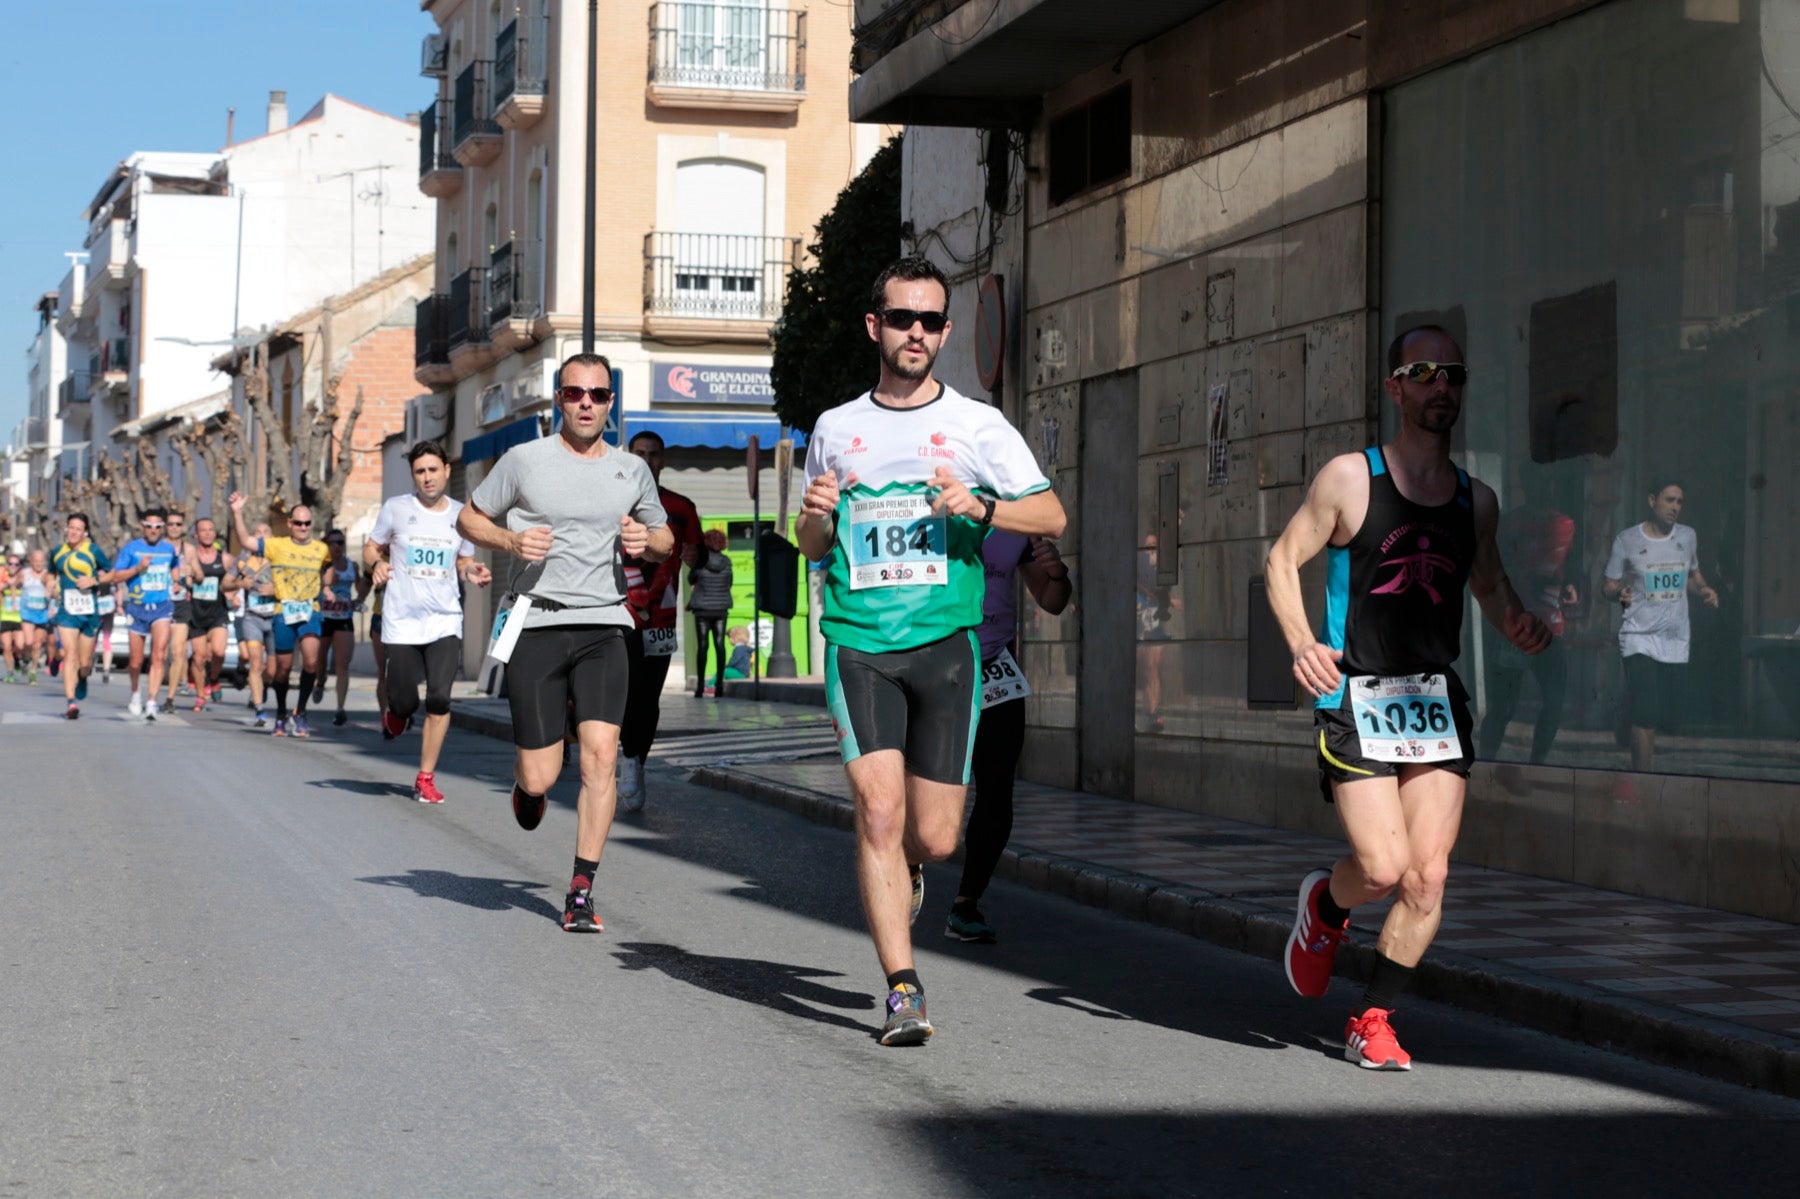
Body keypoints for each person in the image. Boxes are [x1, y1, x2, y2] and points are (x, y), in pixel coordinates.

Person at [1265, 326, 1550, 1072]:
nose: (1439, 386)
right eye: (1422, 373)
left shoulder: (1473, 499)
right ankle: (1327, 907)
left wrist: (1515, 618)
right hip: (1356, 694)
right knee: (1383, 867)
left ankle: (1373, 1018)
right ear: (1395, 388)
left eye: (1451, 373)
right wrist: (1302, 642)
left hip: (1432, 699)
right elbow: (1281, 558)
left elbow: (1484, 576)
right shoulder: (1350, 480)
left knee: (1428, 875)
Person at [797, 256, 1066, 1046]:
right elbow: (813, 541)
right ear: (874, 325)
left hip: (948, 647)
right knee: (879, 810)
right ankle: (903, 989)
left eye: (930, 321)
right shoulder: (836, 428)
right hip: (859, 643)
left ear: (945, 332)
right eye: (902, 318)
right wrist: (815, 514)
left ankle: (912, 867)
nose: (916, 332)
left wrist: (982, 503)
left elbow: (1051, 515)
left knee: (938, 834)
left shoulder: (980, 425)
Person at [456, 352, 672, 933]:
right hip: (538, 623)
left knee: (602, 754)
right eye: (574, 393)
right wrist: (508, 539)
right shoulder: (524, 460)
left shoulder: (631, 470)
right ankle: (526, 789)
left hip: (605, 624)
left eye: (597, 395)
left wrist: (644, 540)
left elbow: (665, 538)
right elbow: (468, 520)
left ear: (609, 403)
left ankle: (581, 887)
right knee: (542, 776)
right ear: (558, 399)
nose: (585, 403)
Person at [945, 531, 1072, 943]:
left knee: (997, 791)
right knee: (934, 789)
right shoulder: (928, 505)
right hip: (936, 665)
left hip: (995, 666)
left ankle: (966, 903)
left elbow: (1053, 600)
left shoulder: (1014, 523)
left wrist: (1057, 574)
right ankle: (909, 866)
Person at [367, 440, 492, 803]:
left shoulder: (461, 515)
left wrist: (474, 572)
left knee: (439, 698)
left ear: (446, 471)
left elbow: (464, 561)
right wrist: (376, 563)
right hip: (402, 620)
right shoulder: (396, 509)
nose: (427, 477)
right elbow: (372, 547)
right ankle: (396, 714)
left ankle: (425, 777)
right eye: (420, 471)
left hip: (444, 619)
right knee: (405, 702)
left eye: (433, 470)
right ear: (413, 476)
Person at [1602, 479, 1720, 775]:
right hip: (1639, 636)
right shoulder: (1627, 540)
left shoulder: (1687, 536)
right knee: (1647, 714)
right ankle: (1643, 781)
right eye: (1670, 500)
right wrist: (1619, 593)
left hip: (1675, 638)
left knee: (1671, 718)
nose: (1675, 508)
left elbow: (1692, 575)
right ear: (1652, 500)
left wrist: (1705, 589)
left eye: (1680, 502)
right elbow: (1607, 585)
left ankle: (1626, 711)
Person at [617, 430, 704, 811]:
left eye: (654, 454)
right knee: (619, 692)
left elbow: (697, 557)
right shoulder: (611, 502)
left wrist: (695, 560)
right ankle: (620, 753)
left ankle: (635, 761)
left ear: (663, 460)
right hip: (615, 614)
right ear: (629, 457)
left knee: (647, 697)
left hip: (661, 619)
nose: (647, 461)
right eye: (640, 454)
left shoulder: (681, 507)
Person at [1478, 477, 1578, 764]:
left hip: (1550, 627)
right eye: (1538, 484)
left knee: (1555, 700)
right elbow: (1493, 564)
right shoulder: (1509, 523)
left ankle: (1538, 763)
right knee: (1503, 708)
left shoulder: (1566, 524)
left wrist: (1571, 585)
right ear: (1527, 486)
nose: (1544, 488)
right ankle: (1486, 763)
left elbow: (1569, 566)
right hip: (1513, 627)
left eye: (1548, 484)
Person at [229, 495, 334, 738]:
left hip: (309, 611)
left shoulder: (321, 549)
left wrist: (326, 586)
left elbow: (327, 568)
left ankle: (302, 711)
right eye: (298, 523)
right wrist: (236, 512)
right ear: (289, 524)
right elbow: (245, 540)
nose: (303, 528)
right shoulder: (276, 545)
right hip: (282, 612)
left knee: (310, 661)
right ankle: (281, 712)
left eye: (307, 524)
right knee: (282, 670)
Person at [113, 509, 182, 720]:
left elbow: (174, 568)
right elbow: (116, 576)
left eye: (158, 527)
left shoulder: (169, 549)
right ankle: (136, 694)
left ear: (163, 528)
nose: (153, 531)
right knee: (135, 661)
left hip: (162, 606)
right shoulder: (131, 549)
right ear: (142, 527)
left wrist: (177, 581)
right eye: (149, 526)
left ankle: (152, 701)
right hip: (137, 606)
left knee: (159, 654)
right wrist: (137, 569)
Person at [50, 513, 115, 719]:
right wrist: (50, 585)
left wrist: (94, 580)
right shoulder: (57, 552)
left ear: (85, 532)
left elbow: (111, 572)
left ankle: (83, 676)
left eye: (78, 529)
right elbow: (51, 573)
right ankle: (71, 703)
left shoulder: (93, 550)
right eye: (71, 527)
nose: (73, 532)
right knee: (69, 654)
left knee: (84, 662)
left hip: (89, 612)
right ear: (66, 528)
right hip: (67, 610)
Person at [183, 517, 239, 712]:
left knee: (218, 651)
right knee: (198, 658)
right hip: (196, 613)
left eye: (210, 530)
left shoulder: (224, 558)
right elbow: (183, 579)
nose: (207, 533)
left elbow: (237, 577)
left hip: (218, 613)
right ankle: (200, 695)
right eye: (203, 530)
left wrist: (234, 592)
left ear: (215, 534)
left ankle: (214, 678)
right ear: (196, 535)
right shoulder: (191, 558)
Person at [316, 529, 360, 726]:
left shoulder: (352, 565)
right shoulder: (320, 565)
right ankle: (320, 680)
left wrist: (360, 598)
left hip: (343, 616)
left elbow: (362, 583)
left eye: (340, 542)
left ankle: (340, 708)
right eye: (332, 543)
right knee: (319, 658)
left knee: (343, 664)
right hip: (323, 616)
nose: (336, 546)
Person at [236, 524, 277, 727]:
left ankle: (265, 684)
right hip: (252, 618)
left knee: (272, 669)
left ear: (272, 537)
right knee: (255, 662)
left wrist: (275, 590)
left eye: (265, 533)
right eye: (257, 533)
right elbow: (225, 584)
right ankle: (259, 709)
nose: (261, 536)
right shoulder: (244, 559)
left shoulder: (279, 559)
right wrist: (239, 585)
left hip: (275, 618)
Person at [688, 528, 733, 697]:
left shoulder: (700, 561)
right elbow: (730, 582)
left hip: (702, 608)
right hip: (721, 608)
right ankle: (719, 686)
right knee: (720, 645)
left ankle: (700, 687)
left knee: (702, 646)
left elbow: (691, 579)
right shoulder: (727, 562)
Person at [161, 511, 194, 706]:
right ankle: (152, 692)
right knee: (161, 652)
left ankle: (170, 697)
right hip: (160, 602)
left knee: (179, 651)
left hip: (181, 602)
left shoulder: (188, 550)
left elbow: (198, 574)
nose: (174, 527)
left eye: (178, 524)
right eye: (171, 524)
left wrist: (192, 573)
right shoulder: (158, 548)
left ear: (183, 527)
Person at [16, 549, 55, 683]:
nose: (38, 564)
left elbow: (53, 590)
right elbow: (14, 585)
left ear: (44, 561)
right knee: (28, 642)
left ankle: (33, 670)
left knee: (37, 644)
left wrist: (51, 600)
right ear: (31, 561)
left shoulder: (47, 575)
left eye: (41, 561)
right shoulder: (24, 573)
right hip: (27, 612)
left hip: (42, 613)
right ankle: (26, 658)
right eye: (36, 561)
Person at [1, 555, 22, 680]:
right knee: (7, 646)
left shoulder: (23, 580)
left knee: (19, 646)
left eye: (16, 564)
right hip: (5, 616)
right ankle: (10, 673)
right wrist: (7, 583)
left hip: (20, 618)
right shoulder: (3, 578)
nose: (13, 566)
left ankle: (18, 660)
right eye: (11, 563)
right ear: (7, 565)